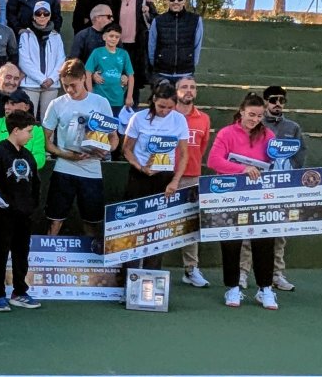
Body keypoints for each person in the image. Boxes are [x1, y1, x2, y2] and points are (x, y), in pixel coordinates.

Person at [206, 93, 279, 310]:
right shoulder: (227, 133)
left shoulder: (268, 135)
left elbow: (276, 162)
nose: (255, 119)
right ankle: (233, 287)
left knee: (264, 241)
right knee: (231, 241)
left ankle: (265, 289)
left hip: (259, 196)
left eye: (259, 116)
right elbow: (213, 160)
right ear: (241, 112)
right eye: (251, 114)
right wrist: (243, 169)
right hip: (230, 195)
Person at [239, 85, 308, 292]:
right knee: (248, 229)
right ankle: (242, 272)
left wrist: (288, 174)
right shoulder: (254, 124)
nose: (277, 103)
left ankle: (277, 274)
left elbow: (300, 155)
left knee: (279, 232)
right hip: (255, 185)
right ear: (265, 102)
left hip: (281, 187)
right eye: (273, 100)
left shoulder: (292, 127)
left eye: (282, 100)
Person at [120, 80, 189, 274]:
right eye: (161, 106)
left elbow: (184, 154)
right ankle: (129, 276)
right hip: (139, 176)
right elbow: (126, 149)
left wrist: (175, 181)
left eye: (170, 107)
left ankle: (151, 275)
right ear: (153, 100)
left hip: (164, 177)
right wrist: (140, 167)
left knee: (158, 229)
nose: (165, 111)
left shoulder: (179, 120)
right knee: (133, 227)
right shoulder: (138, 118)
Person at [42, 59, 116, 240]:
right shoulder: (56, 104)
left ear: (84, 78)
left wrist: (105, 150)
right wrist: (66, 154)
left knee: (92, 221)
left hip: (92, 169)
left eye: (73, 85)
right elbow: (46, 142)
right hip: (63, 168)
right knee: (54, 219)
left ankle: (93, 262)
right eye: (65, 85)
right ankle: (47, 260)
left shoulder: (101, 102)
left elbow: (114, 138)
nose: (69, 90)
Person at [0, 111, 42, 313]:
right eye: (28, 131)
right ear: (15, 131)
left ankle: (19, 292)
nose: (31, 135)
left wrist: (31, 207)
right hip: (2, 217)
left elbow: (36, 184)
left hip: (24, 216)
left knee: (21, 254)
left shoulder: (28, 155)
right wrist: (6, 207)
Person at [172, 76, 213, 288]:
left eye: (192, 87)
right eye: (184, 87)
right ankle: (148, 267)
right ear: (176, 91)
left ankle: (190, 269)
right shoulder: (167, 114)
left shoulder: (204, 119)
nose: (189, 91)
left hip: (191, 176)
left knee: (190, 224)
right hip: (165, 176)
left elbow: (202, 147)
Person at [147, 0, 204, 85]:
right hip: (162, 73)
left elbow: (197, 45)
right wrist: (157, 63)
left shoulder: (195, 20)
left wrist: (190, 63)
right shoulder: (158, 20)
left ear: (185, 0)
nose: (176, 1)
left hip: (186, 73)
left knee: (183, 101)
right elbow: (152, 45)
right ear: (167, 0)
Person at [18, 1, 64, 117]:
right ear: (34, 16)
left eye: (46, 13)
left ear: (50, 16)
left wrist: (52, 79)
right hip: (30, 85)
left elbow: (61, 60)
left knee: (49, 123)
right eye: (38, 13)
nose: (42, 16)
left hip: (51, 85)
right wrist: (41, 79)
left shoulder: (56, 36)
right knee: (27, 120)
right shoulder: (26, 35)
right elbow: (24, 61)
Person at [0, 89, 45, 169]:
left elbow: (40, 157)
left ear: (26, 107)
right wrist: (12, 164)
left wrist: (19, 167)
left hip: (26, 175)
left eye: (12, 103)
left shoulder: (36, 129)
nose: (7, 107)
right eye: (6, 103)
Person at [117, 0, 157, 90]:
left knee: (134, 81)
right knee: (118, 79)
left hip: (137, 46)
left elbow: (155, 20)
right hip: (118, 45)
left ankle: (132, 107)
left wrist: (148, 12)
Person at [88, 22, 135, 113]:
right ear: (104, 37)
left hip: (117, 98)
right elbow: (88, 71)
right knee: (98, 124)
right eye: (111, 36)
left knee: (114, 124)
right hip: (100, 97)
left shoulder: (123, 54)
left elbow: (130, 75)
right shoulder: (97, 52)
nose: (113, 39)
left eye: (117, 37)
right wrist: (90, 93)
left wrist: (129, 96)